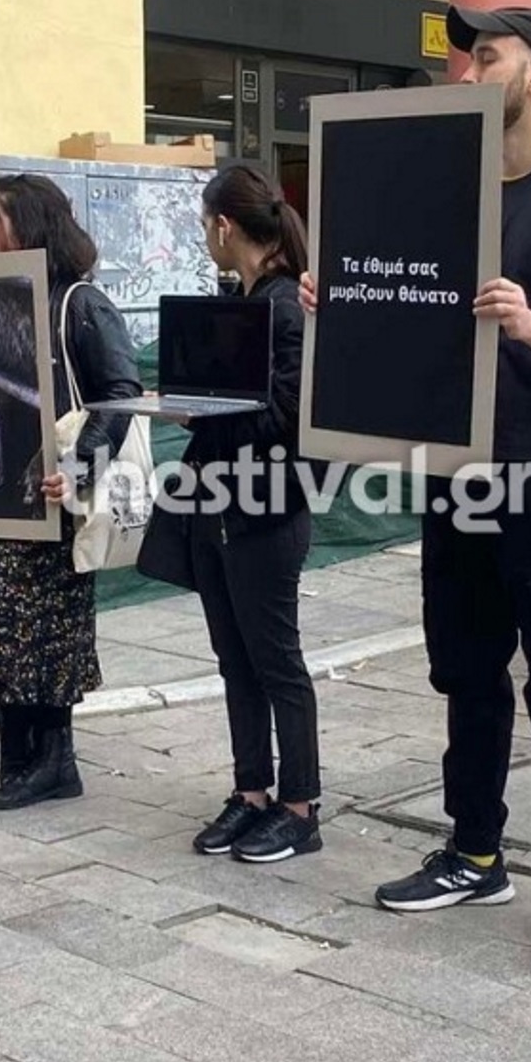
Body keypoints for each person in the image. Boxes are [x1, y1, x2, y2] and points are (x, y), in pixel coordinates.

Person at [301, 6, 531, 967]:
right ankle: (475, 848)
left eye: (485, 55)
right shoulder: (452, 196)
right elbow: (406, 302)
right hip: (460, 469)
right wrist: (340, 303)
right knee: (466, 671)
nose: (466, 69)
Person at [0, 174, 140, 810]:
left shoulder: (79, 303)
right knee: (5, 633)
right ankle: (18, 756)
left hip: (57, 505)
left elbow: (119, 395)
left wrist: (78, 468)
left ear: (30, 224)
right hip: (6, 509)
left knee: (47, 637)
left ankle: (55, 760)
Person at [181, 163, 322, 863]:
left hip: (266, 509)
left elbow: (287, 418)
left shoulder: (285, 306)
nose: (205, 236)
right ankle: (251, 792)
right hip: (218, 505)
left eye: (205, 224)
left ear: (224, 226)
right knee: (233, 658)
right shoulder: (244, 298)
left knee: (275, 660)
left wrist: (207, 411)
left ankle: (299, 806)